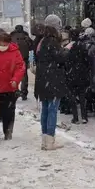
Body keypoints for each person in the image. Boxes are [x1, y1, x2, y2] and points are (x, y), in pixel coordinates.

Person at [34, 14, 68, 150]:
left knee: (46, 110)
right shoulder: (52, 42)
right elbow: (60, 58)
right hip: (52, 80)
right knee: (52, 110)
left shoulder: (41, 40)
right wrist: (66, 50)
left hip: (43, 79)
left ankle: (45, 140)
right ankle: (50, 141)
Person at [66, 28, 92, 124]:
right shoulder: (83, 47)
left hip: (71, 75)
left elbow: (66, 61)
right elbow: (87, 61)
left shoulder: (69, 47)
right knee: (82, 96)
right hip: (82, 75)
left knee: (72, 97)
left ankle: (75, 118)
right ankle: (84, 117)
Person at [10, 25, 33, 101]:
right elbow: (31, 47)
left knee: (14, 75)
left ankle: (15, 91)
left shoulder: (12, 35)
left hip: (14, 58)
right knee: (24, 76)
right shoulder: (25, 35)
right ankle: (24, 93)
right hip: (24, 59)